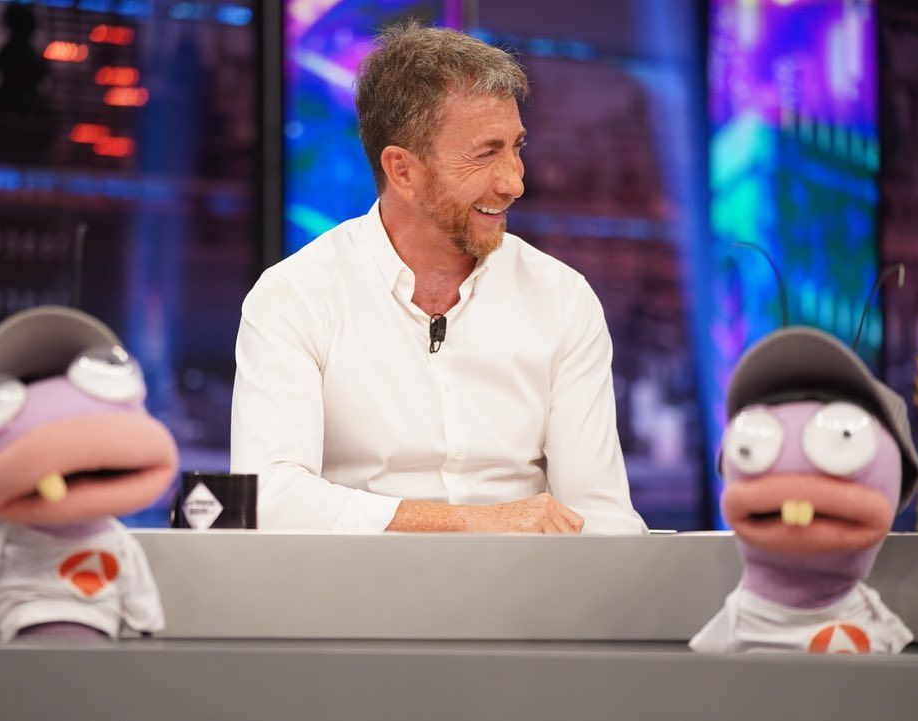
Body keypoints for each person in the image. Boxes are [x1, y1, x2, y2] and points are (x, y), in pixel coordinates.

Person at [230, 22, 646, 535]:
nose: (514, 182)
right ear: (403, 170)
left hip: (524, 584)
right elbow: (270, 497)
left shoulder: (562, 299)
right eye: (485, 153)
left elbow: (604, 518)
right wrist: (474, 524)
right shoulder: (294, 296)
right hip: (358, 584)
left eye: (516, 147)